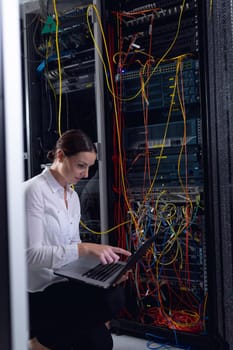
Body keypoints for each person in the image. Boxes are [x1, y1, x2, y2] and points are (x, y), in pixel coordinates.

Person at [24, 129, 131, 350]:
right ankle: (38, 341)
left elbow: (71, 250)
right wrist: (85, 249)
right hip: (38, 291)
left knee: (102, 340)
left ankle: (54, 334)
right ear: (61, 156)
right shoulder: (33, 191)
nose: (85, 174)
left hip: (65, 282)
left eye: (89, 167)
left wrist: (102, 270)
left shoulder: (72, 196)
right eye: (81, 165)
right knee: (109, 301)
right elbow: (31, 256)